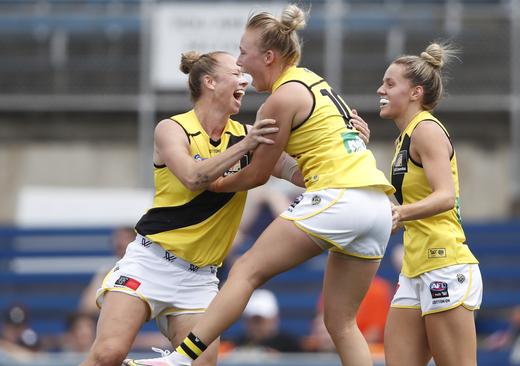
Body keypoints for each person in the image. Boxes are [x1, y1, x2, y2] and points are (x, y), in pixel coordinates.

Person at [124, 4, 394, 366]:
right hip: (376, 206)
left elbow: (257, 175)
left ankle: (179, 359)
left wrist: (216, 184)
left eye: (243, 53)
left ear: (268, 56)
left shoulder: (278, 100)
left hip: (339, 196)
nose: (241, 64)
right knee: (341, 322)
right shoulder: (314, 80)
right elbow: (320, 151)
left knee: (246, 269)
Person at [80, 50, 281, 366]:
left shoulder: (245, 134)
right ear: (210, 82)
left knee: (201, 363)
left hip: (199, 279)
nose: (244, 79)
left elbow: (294, 168)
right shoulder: (172, 128)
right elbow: (193, 176)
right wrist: (247, 146)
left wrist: (342, 151)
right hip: (150, 262)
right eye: (236, 72)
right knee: (108, 354)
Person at [379, 43, 483, 366]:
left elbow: (445, 196)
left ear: (415, 92)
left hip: (443, 263)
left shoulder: (426, 129)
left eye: (390, 83)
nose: (380, 89)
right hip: (414, 267)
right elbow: (397, 203)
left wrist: (401, 213)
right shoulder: (404, 138)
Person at [228, 289, 302, 353]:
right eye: (253, 320)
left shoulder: (289, 345)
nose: (256, 326)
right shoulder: (236, 344)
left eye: (260, 320)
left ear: (274, 318)